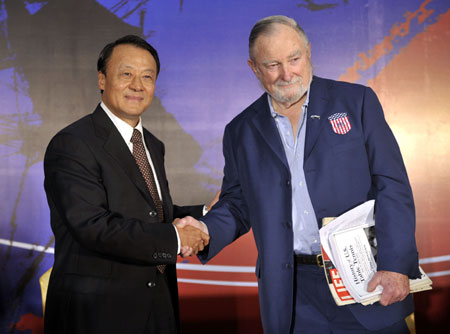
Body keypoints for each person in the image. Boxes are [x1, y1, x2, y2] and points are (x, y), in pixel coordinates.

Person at [177, 15, 421, 333]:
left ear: (308, 53)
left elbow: (392, 187)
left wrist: (395, 265)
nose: (287, 73)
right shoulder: (240, 130)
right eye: (272, 64)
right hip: (293, 296)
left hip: (369, 280)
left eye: (294, 59)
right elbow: (238, 204)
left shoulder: (357, 102)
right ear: (254, 67)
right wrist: (205, 229)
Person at [43, 35, 211, 334]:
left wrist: (208, 211)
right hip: (97, 314)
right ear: (102, 79)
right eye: (126, 74)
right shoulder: (73, 143)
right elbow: (93, 226)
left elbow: (153, 213)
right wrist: (175, 238)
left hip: (158, 303)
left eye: (147, 76)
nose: (138, 85)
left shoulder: (153, 146)